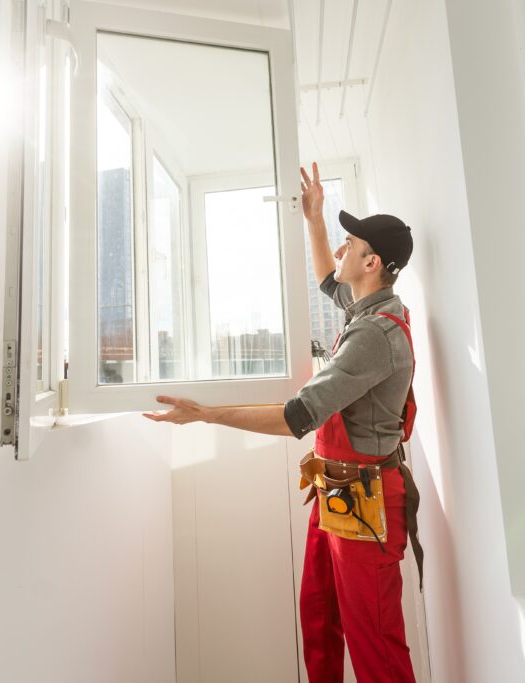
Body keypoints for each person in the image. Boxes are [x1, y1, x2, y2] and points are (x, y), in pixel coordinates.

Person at [144, 162, 421, 682]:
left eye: (350, 243)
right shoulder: (364, 307)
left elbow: (298, 416)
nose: (341, 249)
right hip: (338, 492)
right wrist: (313, 219)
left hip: (368, 508)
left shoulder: (374, 337)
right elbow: (325, 279)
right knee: (319, 617)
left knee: (376, 648)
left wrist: (206, 415)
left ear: (372, 261)